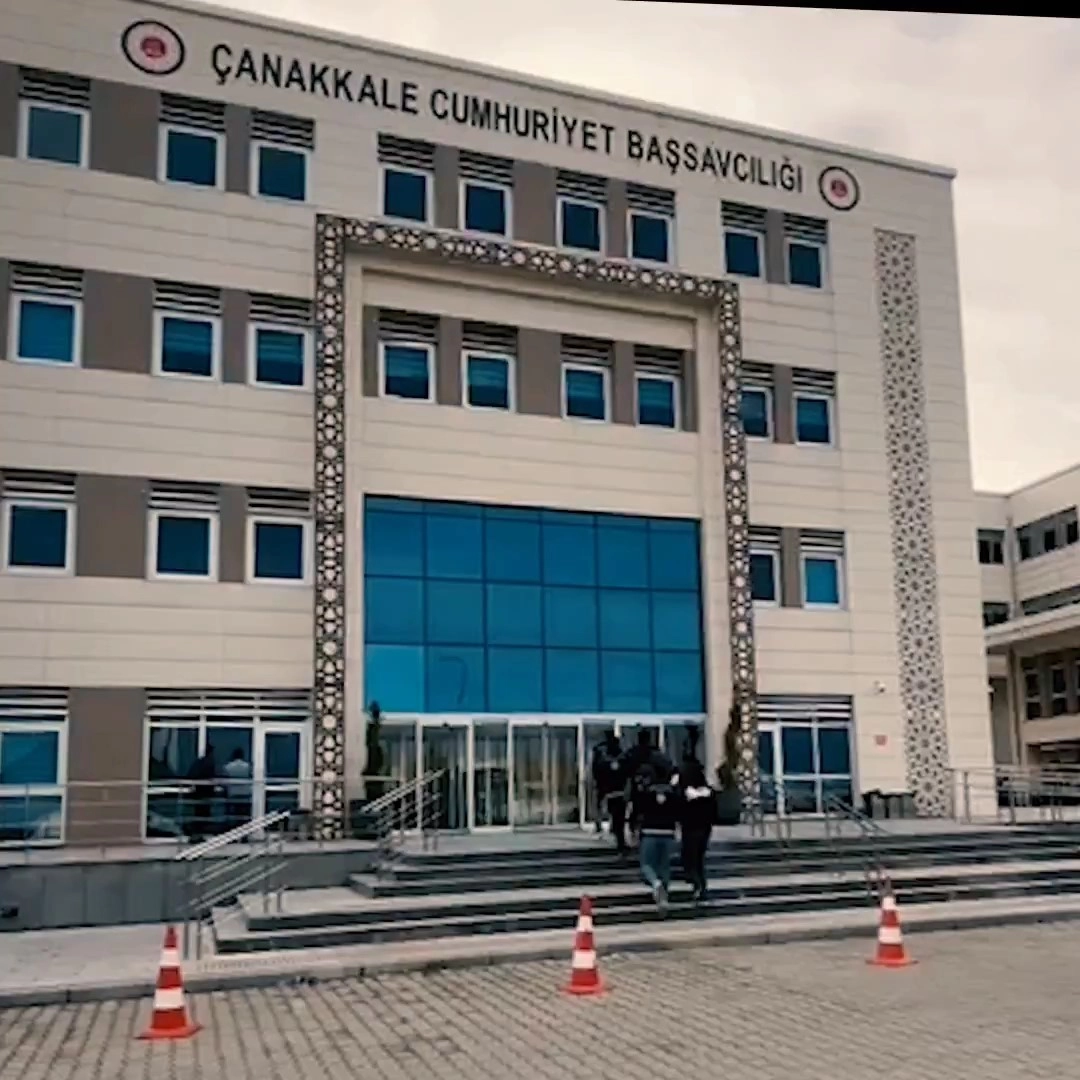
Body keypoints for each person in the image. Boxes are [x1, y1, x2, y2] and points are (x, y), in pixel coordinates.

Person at [635, 759, 681, 914]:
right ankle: (664, 899)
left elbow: (638, 811)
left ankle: (656, 884)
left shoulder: (646, 792)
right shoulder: (672, 792)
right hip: (668, 832)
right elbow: (678, 812)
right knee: (664, 866)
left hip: (649, 831)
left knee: (647, 864)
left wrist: (635, 829)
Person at [678, 758, 716, 904]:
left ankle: (697, 884)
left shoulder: (686, 791)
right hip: (704, 828)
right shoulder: (708, 792)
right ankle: (701, 886)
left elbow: (679, 807)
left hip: (690, 828)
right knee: (699, 859)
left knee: (691, 858)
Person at [591, 731, 627, 855]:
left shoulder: (602, 753)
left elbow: (596, 770)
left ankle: (602, 826)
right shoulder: (620, 755)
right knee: (617, 816)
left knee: (606, 808)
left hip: (608, 788)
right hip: (617, 790)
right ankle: (611, 831)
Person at [187, 746, 217, 839]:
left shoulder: (199, 762)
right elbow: (211, 777)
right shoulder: (209, 763)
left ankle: (197, 834)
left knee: (199, 813)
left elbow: (191, 774)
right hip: (205, 793)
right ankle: (198, 834)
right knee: (203, 814)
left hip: (198, 792)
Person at [222, 747, 253, 830]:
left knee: (234, 815)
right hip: (245, 793)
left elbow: (225, 781)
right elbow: (251, 777)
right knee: (244, 815)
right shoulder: (248, 766)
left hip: (233, 794)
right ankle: (244, 831)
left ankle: (233, 830)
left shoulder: (227, 767)